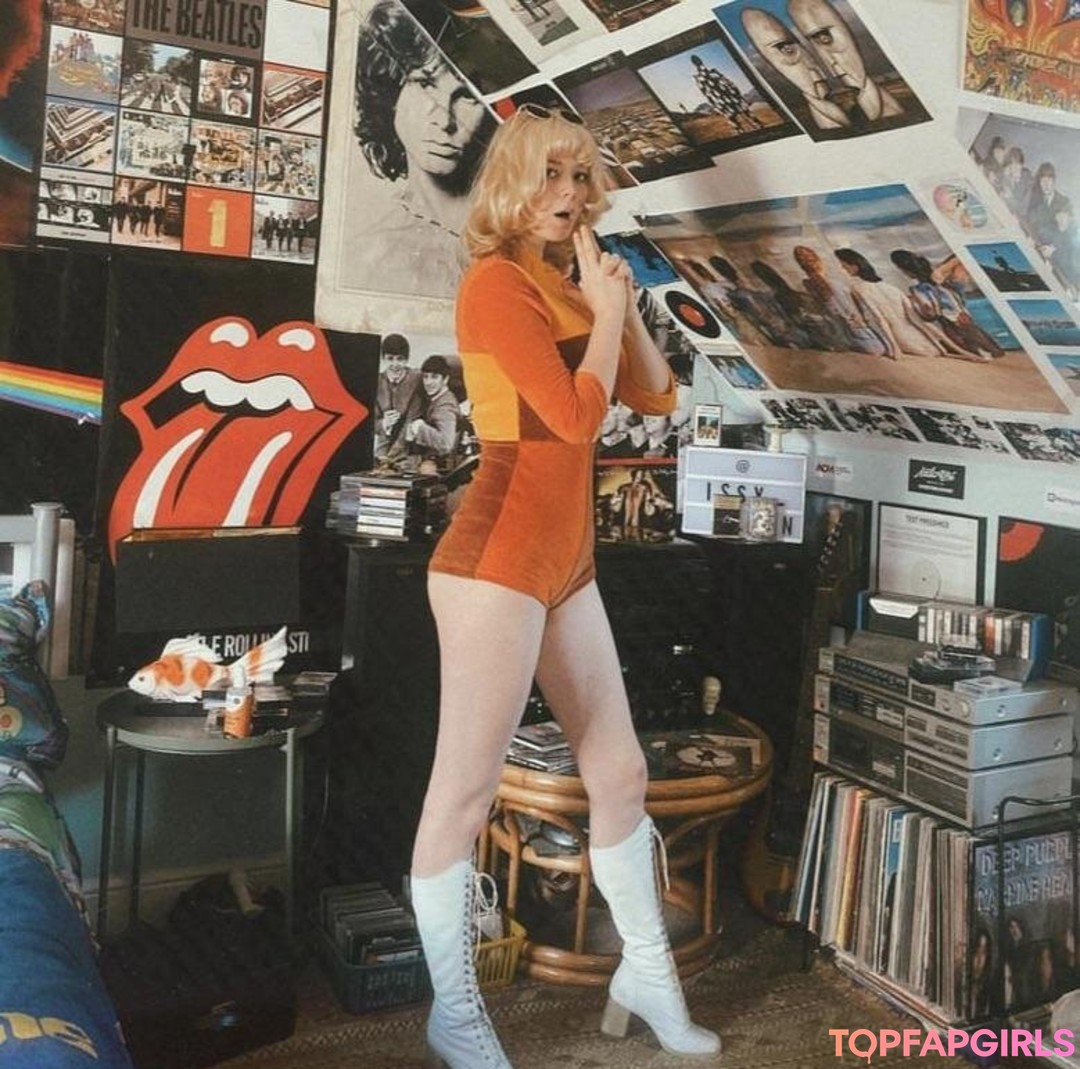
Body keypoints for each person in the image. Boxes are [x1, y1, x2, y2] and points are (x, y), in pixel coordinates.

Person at [410, 106, 721, 1068]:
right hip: (495, 560)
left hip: (566, 563)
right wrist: (609, 313)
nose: (570, 194)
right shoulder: (496, 284)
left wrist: (615, 298)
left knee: (620, 774)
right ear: (512, 182)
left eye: (582, 178)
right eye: (551, 174)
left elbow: (657, 395)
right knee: (463, 796)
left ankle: (645, 975)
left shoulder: (565, 286)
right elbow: (575, 418)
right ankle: (455, 1014)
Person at [350, 0, 497, 299]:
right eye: (425, 85)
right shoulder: (369, 251)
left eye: (467, 96)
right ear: (391, 96)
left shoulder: (523, 230)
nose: (444, 120)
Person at [833, 247, 980, 360]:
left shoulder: (858, 288)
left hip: (903, 338)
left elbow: (880, 320)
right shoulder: (890, 287)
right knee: (930, 335)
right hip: (919, 337)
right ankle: (961, 352)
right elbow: (916, 320)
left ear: (854, 267)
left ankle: (959, 352)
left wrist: (894, 348)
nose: (842, 269)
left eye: (843, 266)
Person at [792, 244, 887, 354]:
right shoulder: (835, 284)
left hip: (838, 331)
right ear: (820, 262)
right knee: (879, 347)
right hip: (855, 331)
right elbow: (852, 312)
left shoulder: (807, 284)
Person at [373, 332, 423, 465]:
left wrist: (391, 457)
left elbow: (412, 418)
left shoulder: (417, 379)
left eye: (400, 359)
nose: (395, 364)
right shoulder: (376, 382)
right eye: (390, 359)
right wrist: (384, 423)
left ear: (407, 360)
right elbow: (371, 422)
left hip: (410, 447)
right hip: (383, 447)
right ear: (383, 359)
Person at [404, 354, 460, 467]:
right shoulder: (436, 398)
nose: (428, 382)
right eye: (425, 377)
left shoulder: (445, 406)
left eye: (434, 377)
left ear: (445, 379)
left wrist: (419, 428)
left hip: (439, 466)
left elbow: (446, 444)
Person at [689, 53, 761, 132]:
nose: (699, 63)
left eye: (698, 61)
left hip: (728, 96)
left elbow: (727, 82)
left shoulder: (711, 73)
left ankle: (755, 125)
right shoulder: (700, 78)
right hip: (722, 100)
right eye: (697, 61)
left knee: (742, 112)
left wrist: (735, 92)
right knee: (733, 116)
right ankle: (742, 129)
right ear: (695, 63)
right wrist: (714, 103)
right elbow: (706, 93)